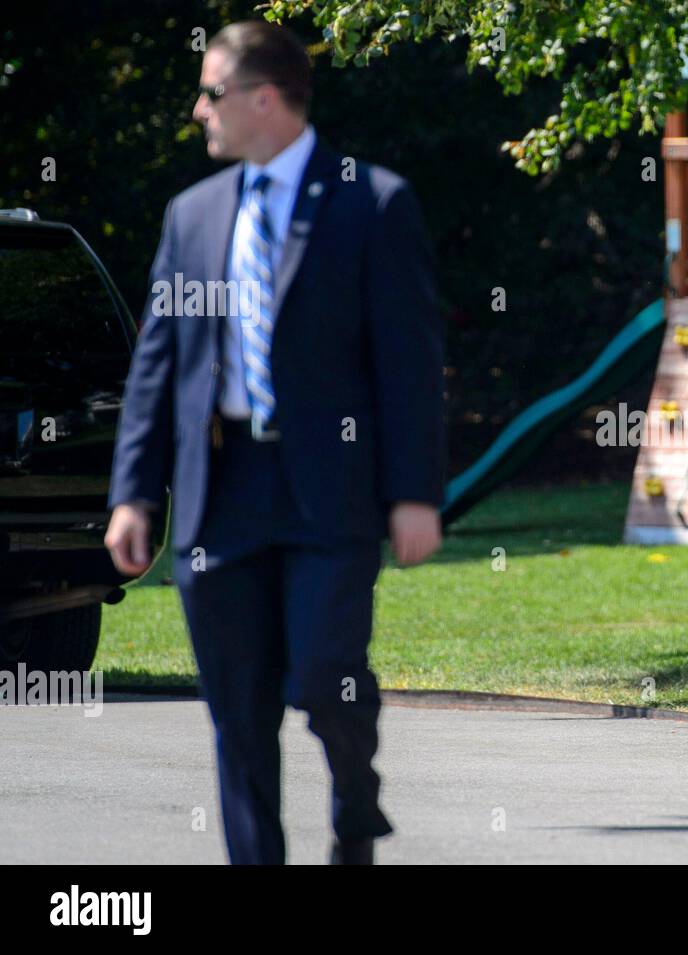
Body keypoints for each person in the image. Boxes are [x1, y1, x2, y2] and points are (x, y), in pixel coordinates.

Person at [103, 20, 445, 861]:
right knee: (238, 709)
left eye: (211, 93)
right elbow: (157, 366)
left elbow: (409, 363)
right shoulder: (192, 215)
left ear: (263, 98)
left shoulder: (372, 201)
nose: (198, 111)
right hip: (222, 493)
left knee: (326, 679)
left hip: (329, 487)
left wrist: (415, 494)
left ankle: (355, 807)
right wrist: (132, 493)